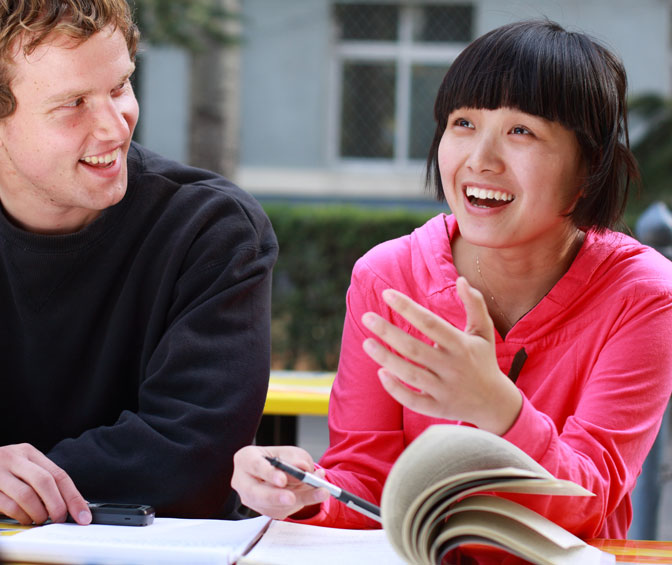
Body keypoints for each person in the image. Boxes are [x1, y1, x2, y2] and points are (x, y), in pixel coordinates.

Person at [231, 19, 672, 541]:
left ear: (588, 168)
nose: (479, 160)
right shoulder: (388, 276)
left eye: (521, 131)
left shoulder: (644, 295)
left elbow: (589, 509)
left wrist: (497, 408)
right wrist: (304, 493)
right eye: (463, 123)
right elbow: (367, 479)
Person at [0, 0, 277, 526]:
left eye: (120, 87)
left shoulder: (212, 230)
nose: (114, 127)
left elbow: (194, 459)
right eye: (73, 103)